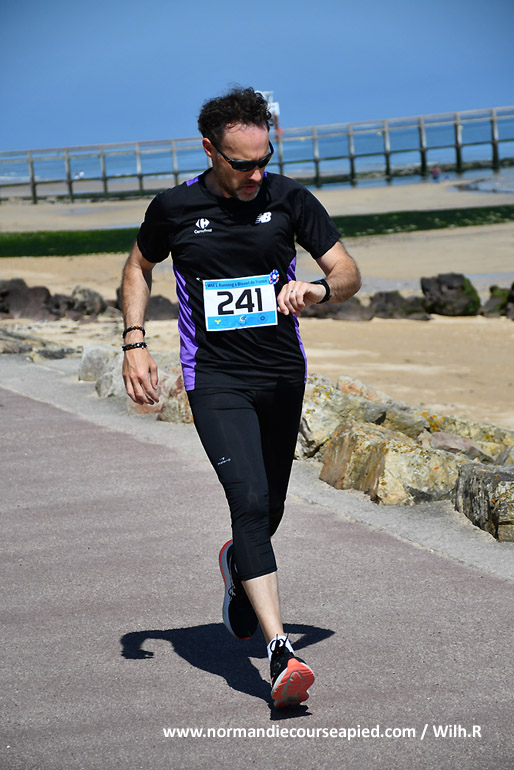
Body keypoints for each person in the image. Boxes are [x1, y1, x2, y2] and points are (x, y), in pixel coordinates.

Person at [121, 87, 361, 708]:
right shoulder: (175, 207)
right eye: (242, 164)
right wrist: (134, 342)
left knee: (269, 509)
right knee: (249, 501)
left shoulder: (290, 199)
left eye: (264, 160)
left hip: (281, 375)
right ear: (209, 150)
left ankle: (238, 568)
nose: (256, 174)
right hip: (215, 379)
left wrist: (318, 290)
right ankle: (281, 652)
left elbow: (347, 273)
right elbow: (138, 267)